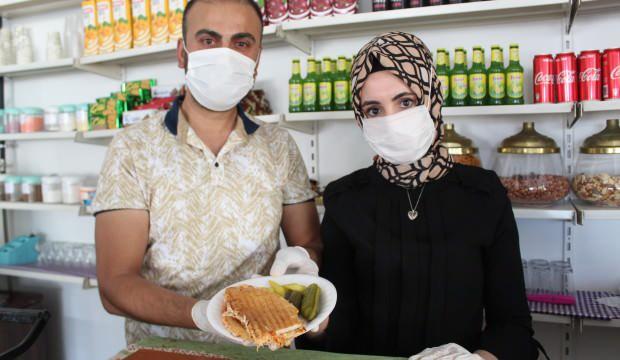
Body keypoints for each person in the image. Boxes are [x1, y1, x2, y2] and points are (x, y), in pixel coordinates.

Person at [298, 32, 539, 359]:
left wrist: (479, 359)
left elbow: (513, 326)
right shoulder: (344, 198)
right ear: (359, 116)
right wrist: (309, 314)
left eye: (406, 101)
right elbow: (332, 331)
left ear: (432, 98)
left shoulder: (483, 194)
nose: (391, 120)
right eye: (373, 110)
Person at [93, 0, 321, 344]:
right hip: (167, 350)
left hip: (263, 346)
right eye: (209, 40)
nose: (225, 55)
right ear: (183, 54)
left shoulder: (279, 146)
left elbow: (308, 242)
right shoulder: (133, 148)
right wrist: (205, 314)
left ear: (256, 60)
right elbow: (115, 286)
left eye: (241, 43)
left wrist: (304, 259)